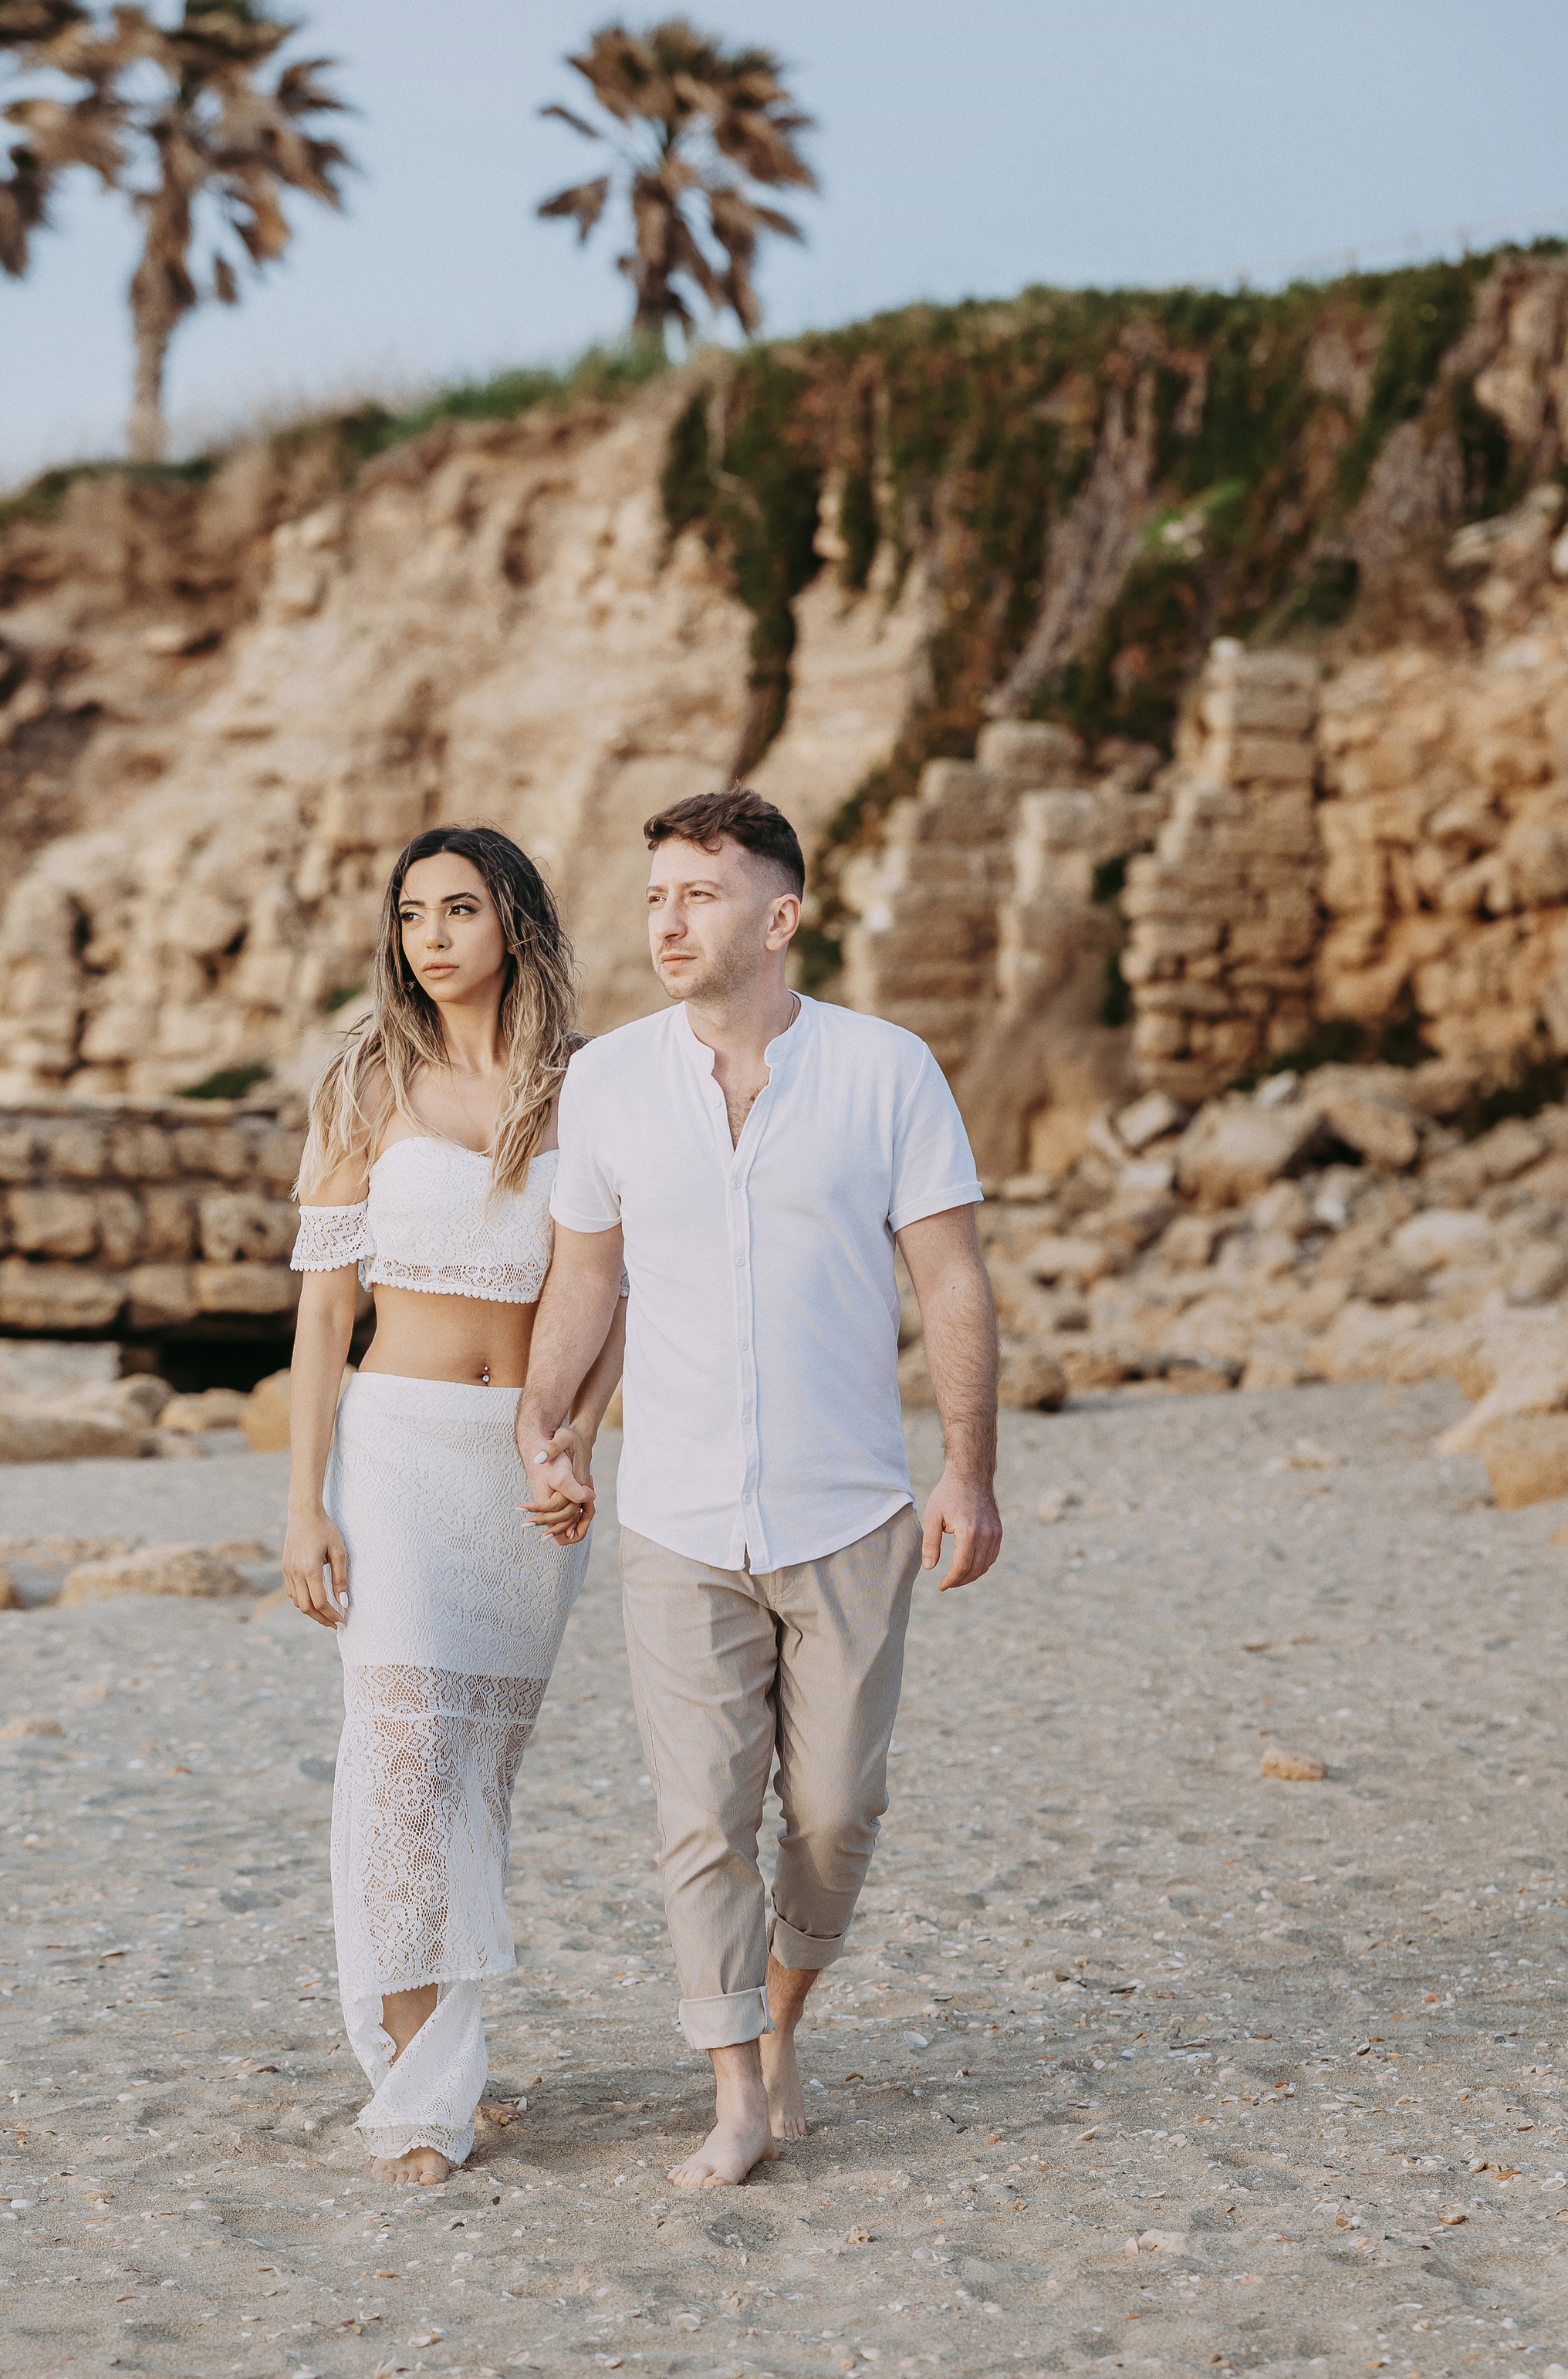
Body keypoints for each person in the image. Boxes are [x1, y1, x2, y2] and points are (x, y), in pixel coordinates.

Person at [517, 786, 1002, 2191]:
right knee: (699, 1820)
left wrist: (967, 1471)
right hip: (673, 1514)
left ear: (779, 917)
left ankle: (783, 2017)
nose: (668, 921)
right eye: (657, 895)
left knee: (840, 1810)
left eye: (701, 894)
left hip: (850, 1508)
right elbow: (585, 1277)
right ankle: (733, 2090)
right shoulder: (606, 1081)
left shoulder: (889, 1069)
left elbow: (952, 1279)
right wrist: (545, 1424)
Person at [283, 825, 626, 2188]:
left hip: (520, 1472)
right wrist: (303, 1501)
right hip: (399, 1448)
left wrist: (576, 1446)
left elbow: (608, 1295)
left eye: (462, 908)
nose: (432, 935)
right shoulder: (364, 1079)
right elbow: (323, 1307)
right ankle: (421, 2096)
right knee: (402, 1762)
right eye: (414, 912)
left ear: (515, 925)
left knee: (475, 1781)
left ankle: (445, 2059)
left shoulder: (585, 1093)